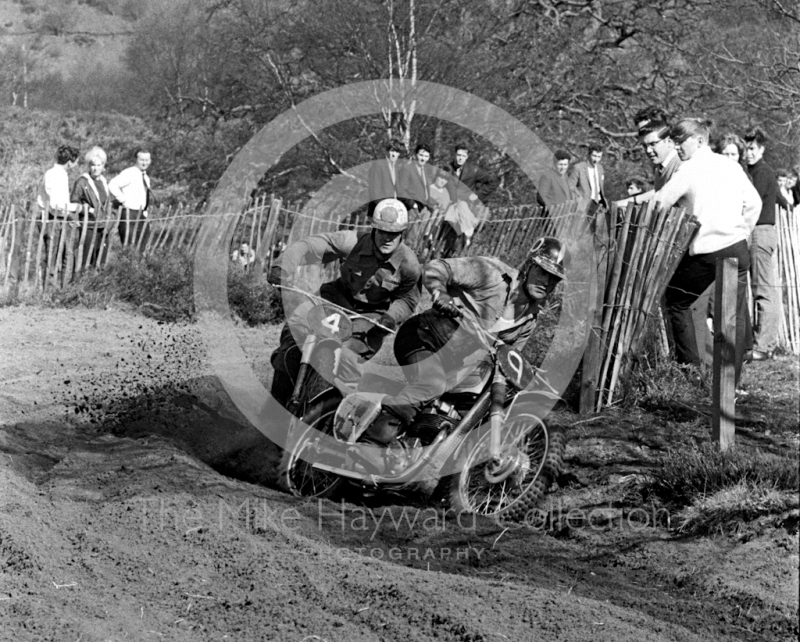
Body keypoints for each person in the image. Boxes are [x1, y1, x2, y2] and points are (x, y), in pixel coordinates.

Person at [360, 237, 566, 454]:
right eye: (542, 272)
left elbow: (508, 359)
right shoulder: (491, 273)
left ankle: (420, 457)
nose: (547, 282)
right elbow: (436, 268)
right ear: (529, 265)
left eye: (554, 278)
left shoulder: (531, 318)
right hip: (426, 335)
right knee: (431, 381)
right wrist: (441, 294)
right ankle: (370, 445)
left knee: (475, 410)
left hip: (461, 366)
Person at [267, 198, 422, 408]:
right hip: (334, 297)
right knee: (294, 335)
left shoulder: (409, 265)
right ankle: (275, 406)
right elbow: (309, 246)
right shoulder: (351, 241)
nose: (388, 238)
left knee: (347, 362)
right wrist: (283, 267)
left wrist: (391, 316)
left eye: (394, 233)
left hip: (370, 317)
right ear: (373, 228)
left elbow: (408, 299)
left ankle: (327, 418)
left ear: (402, 233)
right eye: (383, 231)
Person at [654, 118, 761, 385]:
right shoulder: (731, 166)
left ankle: (691, 376)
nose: (677, 147)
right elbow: (754, 203)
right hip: (737, 248)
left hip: (707, 253)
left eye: (681, 141)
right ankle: (729, 386)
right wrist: (742, 233)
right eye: (675, 142)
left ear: (700, 140)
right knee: (732, 318)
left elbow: (659, 203)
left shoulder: (688, 170)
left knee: (676, 301)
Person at [743, 127, 789, 361]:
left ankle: (764, 346)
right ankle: (760, 343)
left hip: (760, 231)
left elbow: (751, 202)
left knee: (764, 289)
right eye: (746, 148)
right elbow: (780, 199)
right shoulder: (752, 171)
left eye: (752, 149)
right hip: (756, 231)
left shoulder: (762, 172)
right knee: (757, 288)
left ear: (761, 149)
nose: (748, 153)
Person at [438, 143, 498, 257]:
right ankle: (447, 255)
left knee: (460, 241)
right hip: (450, 206)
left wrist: (477, 195)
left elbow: (493, 181)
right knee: (449, 239)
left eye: (463, 156)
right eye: (458, 155)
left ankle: (463, 246)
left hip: (468, 207)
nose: (460, 158)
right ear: (454, 155)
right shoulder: (447, 168)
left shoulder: (473, 170)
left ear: (467, 157)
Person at [37, 145, 80, 283]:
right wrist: (77, 208)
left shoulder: (62, 174)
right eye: (76, 160)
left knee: (66, 253)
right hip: (50, 219)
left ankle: (62, 290)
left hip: (61, 218)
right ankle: (48, 292)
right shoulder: (53, 174)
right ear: (70, 162)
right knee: (52, 255)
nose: (77, 163)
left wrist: (68, 215)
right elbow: (56, 203)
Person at [70, 146, 110, 268]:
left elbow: (106, 204)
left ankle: (96, 285)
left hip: (102, 227)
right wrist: (87, 210)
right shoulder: (82, 182)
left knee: (99, 261)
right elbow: (73, 202)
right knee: (85, 260)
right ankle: (81, 284)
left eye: (99, 165)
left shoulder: (103, 182)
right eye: (93, 165)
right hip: (88, 226)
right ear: (89, 166)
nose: (95, 168)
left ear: (103, 167)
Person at [108, 149, 153, 248]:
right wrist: (123, 200)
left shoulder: (145, 176)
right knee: (129, 247)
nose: (144, 162)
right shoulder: (129, 172)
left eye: (147, 160)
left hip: (141, 214)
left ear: (150, 161)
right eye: (141, 160)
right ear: (136, 160)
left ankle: (140, 264)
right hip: (130, 214)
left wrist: (145, 213)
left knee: (142, 245)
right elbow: (112, 184)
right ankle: (128, 264)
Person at [568, 144, 609, 212]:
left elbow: (600, 188)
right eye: (594, 156)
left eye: (599, 157)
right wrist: (579, 197)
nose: (596, 159)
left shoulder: (600, 168)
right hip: (583, 205)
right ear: (588, 155)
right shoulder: (578, 167)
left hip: (599, 204)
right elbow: (570, 186)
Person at [367, 140, 403, 216]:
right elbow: (374, 190)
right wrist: (383, 208)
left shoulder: (396, 168)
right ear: (387, 151)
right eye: (392, 151)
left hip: (393, 210)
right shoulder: (378, 165)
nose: (394, 154)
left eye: (397, 152)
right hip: (380, 210)